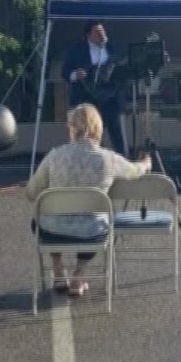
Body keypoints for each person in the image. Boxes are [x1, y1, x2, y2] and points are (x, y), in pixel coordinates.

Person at [24, 103, 150, 297]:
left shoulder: (55, 156)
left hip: (52, 231)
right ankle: (79, 272)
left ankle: (58, 269)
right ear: (98, 128)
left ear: (72, 128)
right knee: (96, 220)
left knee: (40, 220)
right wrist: (145, 163)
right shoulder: (109, 159)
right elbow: (134, 172)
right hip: (91, 233)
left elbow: (32, 193)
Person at [61, 19, 129, 155]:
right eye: (97, 32)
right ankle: (93, 161)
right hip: (87, 98)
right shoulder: (77, 49)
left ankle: (124, 162)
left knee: (117, 133)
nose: (102, 34)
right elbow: (65, 72)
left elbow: (122, 66)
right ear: (88, 35)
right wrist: (75, 74)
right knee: (92, 133)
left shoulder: (112, 47)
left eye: (103, 31)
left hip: (110, 98)